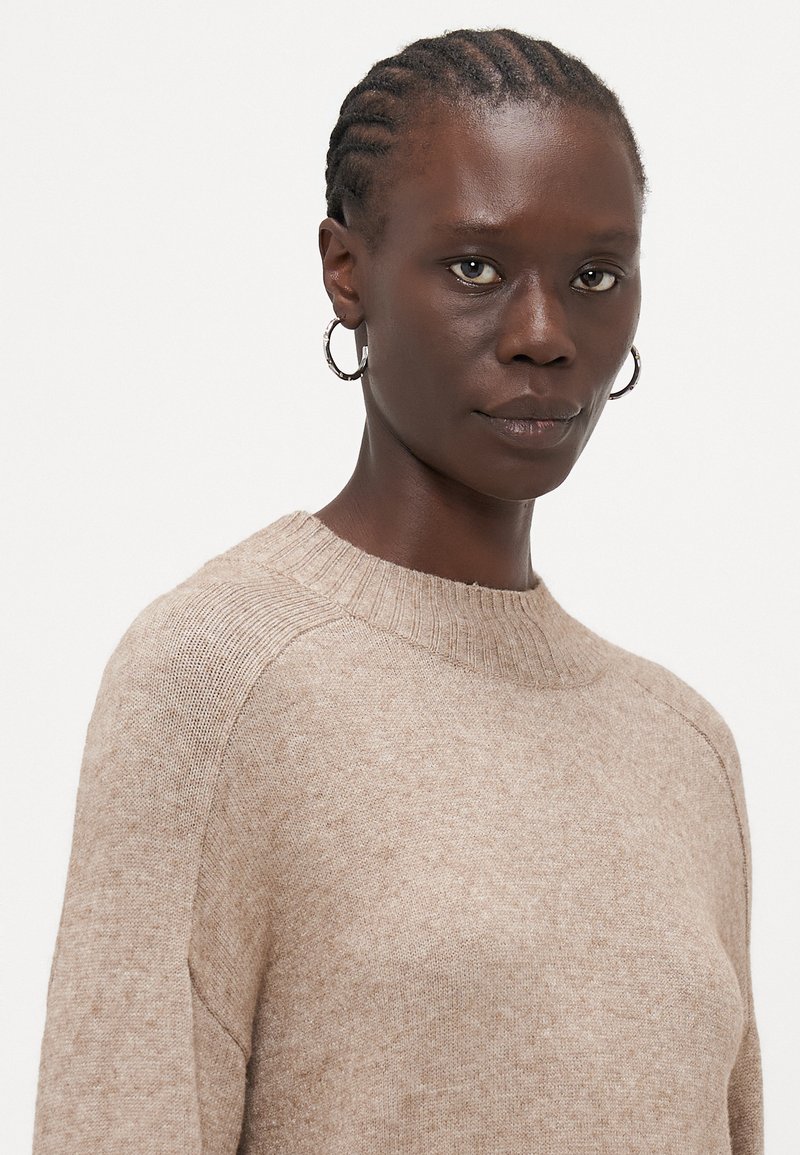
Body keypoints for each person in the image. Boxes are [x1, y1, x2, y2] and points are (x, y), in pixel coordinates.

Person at [31, 28, 764, 1154]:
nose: (543, 335)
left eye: (594, 277)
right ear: (346, 271)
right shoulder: (217, 679)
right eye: (475, 267)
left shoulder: (685, 747)